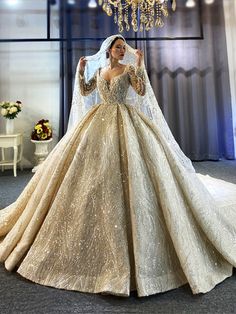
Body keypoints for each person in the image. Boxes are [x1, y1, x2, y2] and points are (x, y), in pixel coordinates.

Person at [0, 34, 236, 298]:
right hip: (97, 122)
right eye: (118, 47)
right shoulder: (100, 70)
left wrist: (141, 66)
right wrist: (80, 73)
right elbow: (87, 91)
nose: (122, 50)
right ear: (109, 50)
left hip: (126, 120)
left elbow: (142, 91)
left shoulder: (129, 69)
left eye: (124, 47)